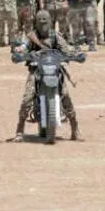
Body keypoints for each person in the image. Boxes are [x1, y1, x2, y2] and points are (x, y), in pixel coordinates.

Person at [12, 10, 83, 142]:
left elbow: (65, 48)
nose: (43, 23)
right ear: (36, 23)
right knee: (27, 97)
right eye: (40, 21)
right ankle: (20, 130)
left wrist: (74, 53)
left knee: (65, 96)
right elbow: (23, 48)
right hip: (36, 70)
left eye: (45, 20)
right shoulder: (31, 37)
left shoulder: (55, 36)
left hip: (54, 70)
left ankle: (75, 128)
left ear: (50, 21)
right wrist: (20, 52)